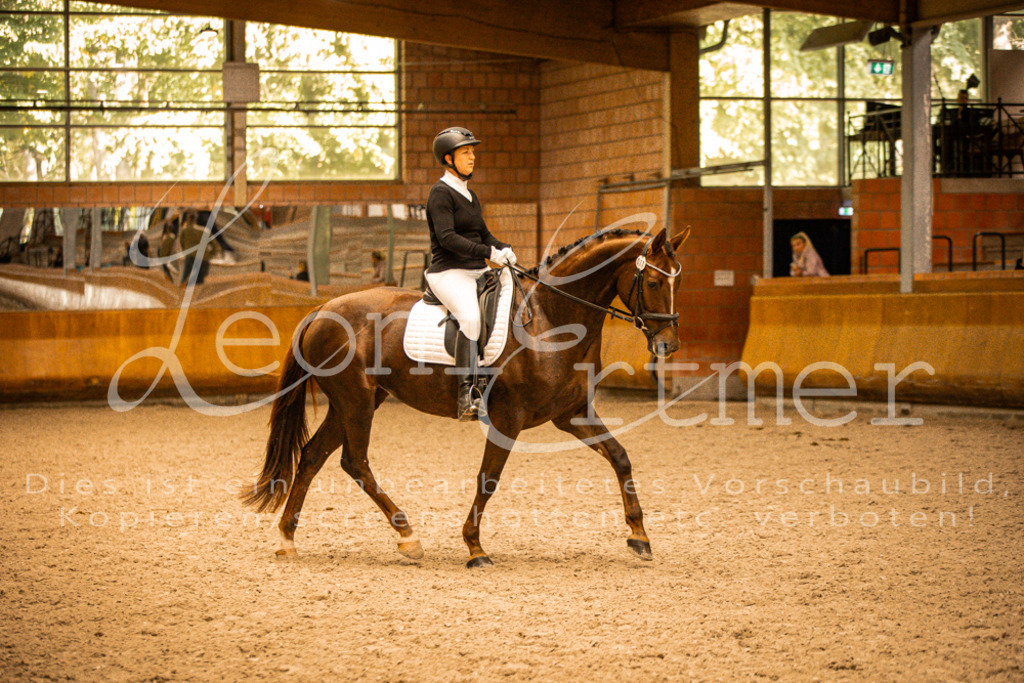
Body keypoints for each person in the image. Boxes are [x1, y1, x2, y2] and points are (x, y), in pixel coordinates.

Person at [425, 126, 516, 421]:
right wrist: (488, 253)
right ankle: (467, 393)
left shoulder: (470, 195)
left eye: (473, 152)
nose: (472, 157)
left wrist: (503, 248)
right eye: (466, 152)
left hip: (476, 270)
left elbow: (483, 234)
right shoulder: (440, 194)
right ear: (448, 159)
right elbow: (447, 238)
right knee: (470, 317)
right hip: (449, 272)